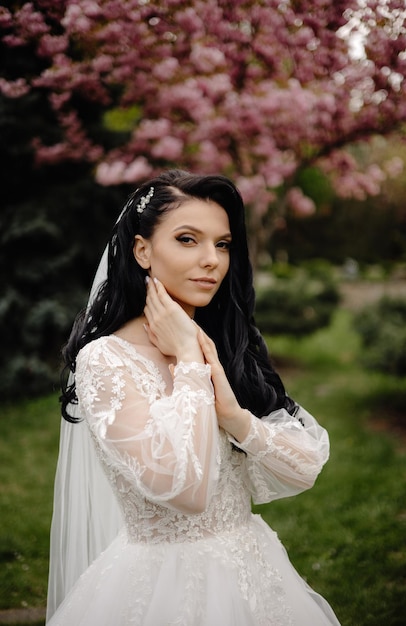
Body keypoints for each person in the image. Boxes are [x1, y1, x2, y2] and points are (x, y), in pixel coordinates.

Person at [46, 169, 340, 625]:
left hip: (254, 572)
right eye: (188, 239)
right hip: (162, 587)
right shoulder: (106, 360)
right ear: (142, 250)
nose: (212, 260)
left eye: (222, 244)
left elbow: (305, 467)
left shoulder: (226, 343)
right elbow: (185, 489)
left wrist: (235, 416)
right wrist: (187, 359)